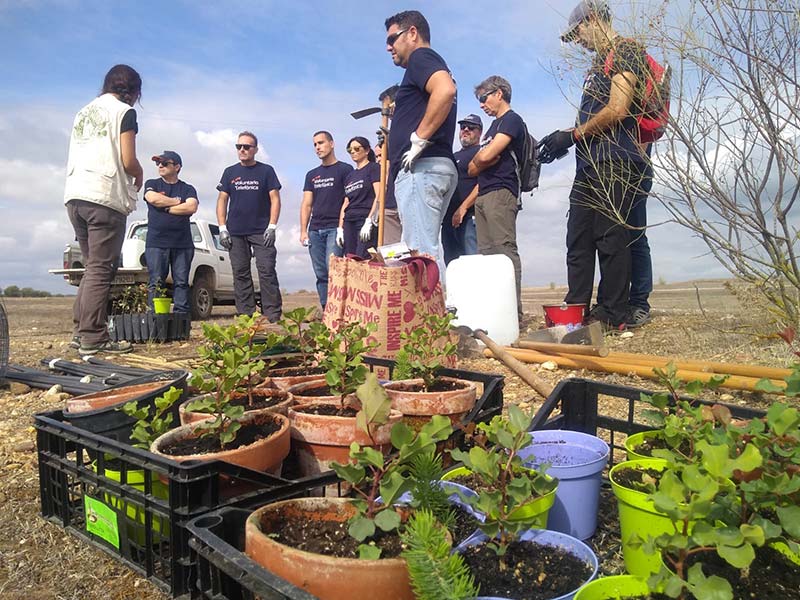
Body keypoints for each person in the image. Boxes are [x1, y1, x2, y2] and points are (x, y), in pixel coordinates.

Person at [538, 0, 649, 329]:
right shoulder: (598, 64)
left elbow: (617, 108)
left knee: (611, 239)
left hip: (615, 159)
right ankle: (575, 313)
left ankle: (612, 314)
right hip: (589, 163)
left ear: (593, 20)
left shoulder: (626, 50)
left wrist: (571, 135)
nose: (579, 42)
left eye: (578, 33)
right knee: (578, 238)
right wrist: (564, 144)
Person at [63, 64, 143, 356]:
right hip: (103, 197)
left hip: (75, 195)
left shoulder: (83, 111)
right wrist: (140, 172)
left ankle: (80, 331)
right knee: (101, 268)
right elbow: (127, 159)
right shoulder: (123, 112)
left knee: (90, 267)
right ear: (133, 92)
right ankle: (94, 336)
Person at [385, 9, 458, 257]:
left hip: (421, 169)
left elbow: (445, 90)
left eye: (392, 39)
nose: (388, 47)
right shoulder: (430, 63)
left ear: (412, 33)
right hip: (434, 167)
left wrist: (419, 137)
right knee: (427, 251)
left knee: (420, 255)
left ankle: (429, 298)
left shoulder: (421, 57)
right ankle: (440, 297)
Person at [467, 77, 527, 321]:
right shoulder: (492, 128)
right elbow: (473, 168)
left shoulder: (512, 120)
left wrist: (482, 159)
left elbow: (485, 156)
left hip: (502, 191)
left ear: (499, 93)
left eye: (484, 98)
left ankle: (514, 313)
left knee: (504, 251)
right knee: (487, 255)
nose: (482, 105)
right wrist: (482, 160)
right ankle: (497, 313)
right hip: (483, 193)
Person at [215, 131, 283, 321]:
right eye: (239, 147)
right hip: (235, 232)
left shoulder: (266, 171)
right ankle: (246, 315)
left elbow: (275, 199)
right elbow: (222, 200)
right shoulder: (230, 172)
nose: (242, 150)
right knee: (240, 273)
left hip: (261, 231)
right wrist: (222, 228)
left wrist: (272, 226)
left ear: (255, 149)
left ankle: (272, 315)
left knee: (266, 270)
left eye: (247, 147)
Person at [299, 131, 353, 310]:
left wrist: (341, 228)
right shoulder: (311, 174)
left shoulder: (345, 170)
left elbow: (349, 199)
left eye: (321, 143)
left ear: (332, 144)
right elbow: (307, 204)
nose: (317, 147)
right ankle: (326, 311)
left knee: (334, 272)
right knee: (320, 273)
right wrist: (303, 231)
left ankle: (339, 310)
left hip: (334, 229)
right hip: (315, 230)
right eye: (315, 144)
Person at [143, 151, 199, 316]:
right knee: (156, 282)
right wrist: (177, 202)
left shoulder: (187, 188)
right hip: (156, 244)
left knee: (181, 282)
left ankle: (181, 319)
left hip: (182, 244)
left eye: (165, 163)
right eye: (158, 163)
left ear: (177, 167)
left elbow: (191, 207)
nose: (160, 166)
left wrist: (166, 207)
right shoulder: (152, 183)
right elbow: (153, 199)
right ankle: (156, 317)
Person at [442, 113, 481, 265]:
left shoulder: (481, 152)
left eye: (471, 127)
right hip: (447, 221)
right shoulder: (452, 156)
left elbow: (483, 183)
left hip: (468, 218)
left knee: (472, 263)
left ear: (479, 132)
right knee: (452, 265)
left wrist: (463, 208)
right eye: (462, 127)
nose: (465, 130)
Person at [338, 137, 380, 258]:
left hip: (364, 218)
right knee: (350, 257)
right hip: (349, 220)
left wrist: (370, 220)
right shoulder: (350, 175)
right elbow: (346, 202)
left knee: (363, 256)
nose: (353, 152)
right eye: (350, 150)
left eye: (357, 148)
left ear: (367, 150)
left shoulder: (373, 168)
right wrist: (340, 228)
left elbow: (379, 195)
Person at [374, 139, 402, 245]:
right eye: (376, 157)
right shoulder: (380, 174)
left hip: (402, 207)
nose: (378, 159)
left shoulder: (397, 167)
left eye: (381, 155)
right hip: (388, 209)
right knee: (391, 249)